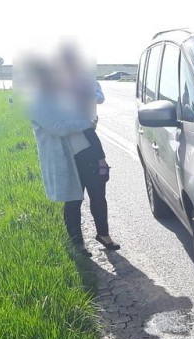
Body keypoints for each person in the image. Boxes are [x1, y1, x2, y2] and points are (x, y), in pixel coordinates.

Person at [57, 44, 121, 252]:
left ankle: (103, 235)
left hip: (87, 143)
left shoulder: (88, 82)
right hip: (68, 150)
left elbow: (99, 98)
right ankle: (77, 244)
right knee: (73, 198)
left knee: (97, 194)